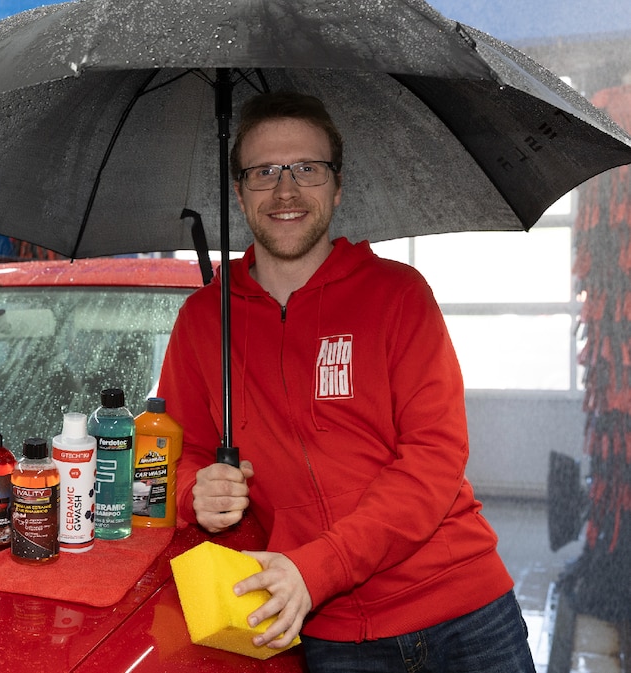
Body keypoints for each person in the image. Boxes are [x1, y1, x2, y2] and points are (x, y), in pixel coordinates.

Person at [158, 91, 535, 672]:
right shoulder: (205, 321)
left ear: (337, 186)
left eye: (307, 168)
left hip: (463, 612)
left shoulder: (398, 295)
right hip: (334, 636)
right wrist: (195, 492)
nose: (286, 191)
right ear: (238, 192)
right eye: (264, 172)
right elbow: (178, 457)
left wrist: (318, 568)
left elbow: (434, 459)